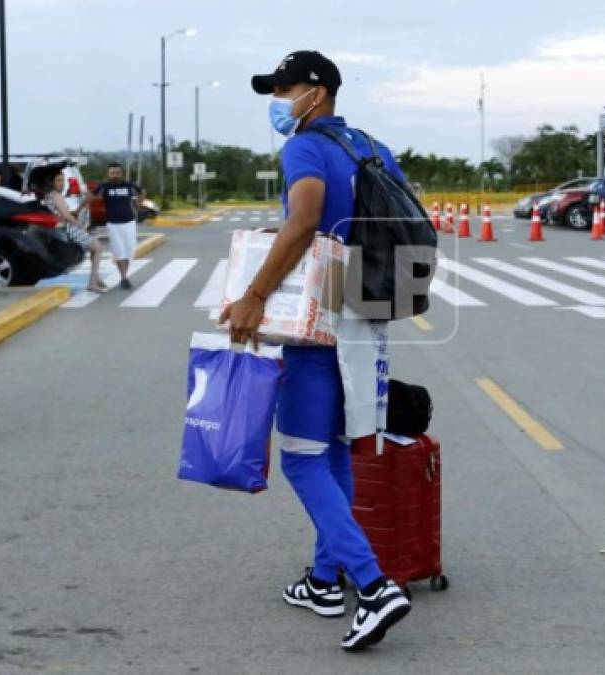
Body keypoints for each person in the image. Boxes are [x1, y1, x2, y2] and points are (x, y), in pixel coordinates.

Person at [220, 50, 410, 652]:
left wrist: (253, 296)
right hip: (362, 312)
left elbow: (304, 220)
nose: (278, 99)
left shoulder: (304, 145)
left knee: (302, 458)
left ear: (317, 92)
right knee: (336, 450)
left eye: (285, 88)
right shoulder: (370, 147)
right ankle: (326, 580)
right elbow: (362, 224)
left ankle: (375, 588)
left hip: (314, 322)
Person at [44, 170, 107, 293]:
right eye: (59, 181)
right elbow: (66, 215)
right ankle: (92, 283)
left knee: (94, 249)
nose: (62, 183)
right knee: (98, 248)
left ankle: (96, 278)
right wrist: (80, 226)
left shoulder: (49, 195)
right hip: (68, 228)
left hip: (62, 228)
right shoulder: (56, 196)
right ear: (52, 182)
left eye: (63, 180)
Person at [88, 163, 142, 289]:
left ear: (121, 173)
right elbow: (90, 197)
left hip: (129, 223)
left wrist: (138, 204)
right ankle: (123, 278)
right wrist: (79, 209)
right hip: (113, 224)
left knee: (129, 251)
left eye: (117, 173)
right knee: (119, 251)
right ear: (108, 174)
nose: (114, 176)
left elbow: (141, 192)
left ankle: (124, 275)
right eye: (112, 173)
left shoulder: (128, 185)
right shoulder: (104, 187)